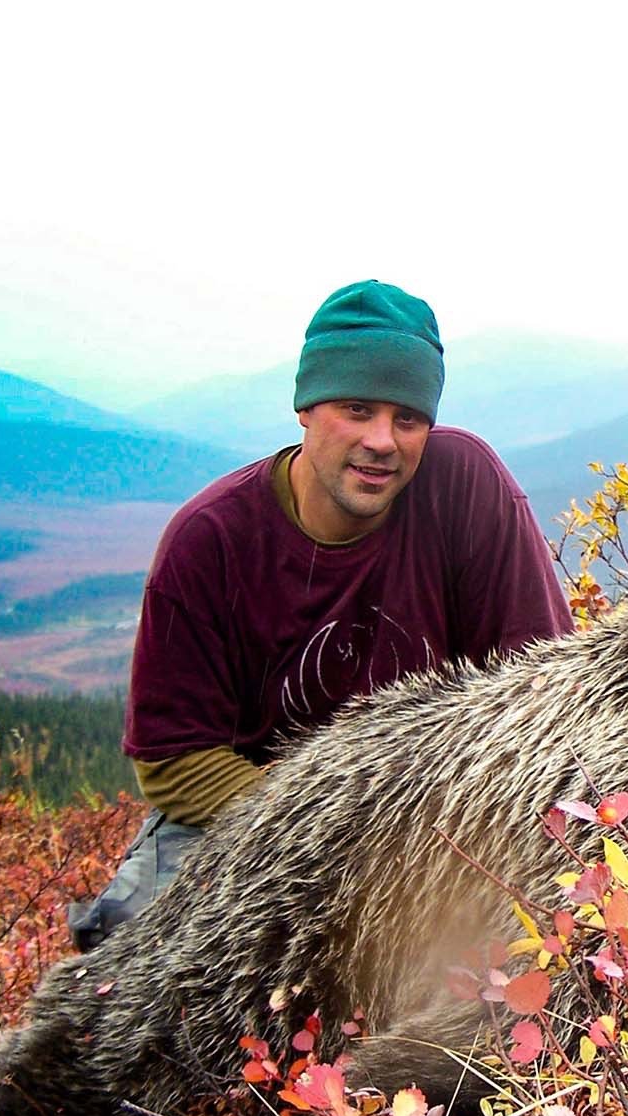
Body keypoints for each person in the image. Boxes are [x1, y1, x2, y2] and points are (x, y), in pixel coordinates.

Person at [68, 281, 573, 949]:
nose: (382, 441)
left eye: (408, 418)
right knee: (127, 959)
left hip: (437, 808)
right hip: (244, 808)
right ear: (306, 408)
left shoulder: (463, 486)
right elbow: (175, 761)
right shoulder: (211, 540)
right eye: (356, 409)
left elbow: (540, 688)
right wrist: (333, 835)